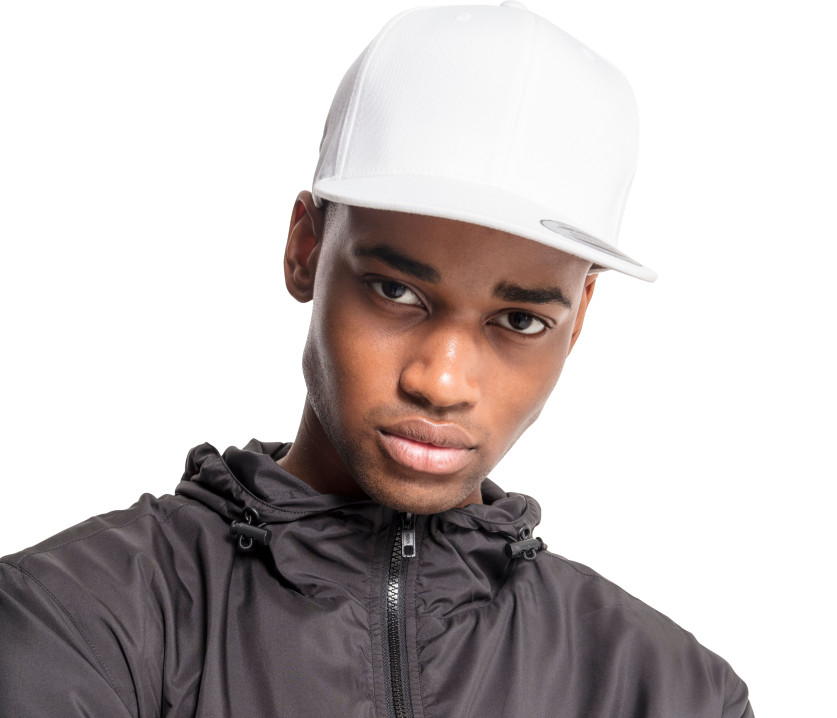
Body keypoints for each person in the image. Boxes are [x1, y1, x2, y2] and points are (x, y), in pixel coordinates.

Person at [0, 3, 753, 716]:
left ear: (579, 315)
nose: (442, 381)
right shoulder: (75, 619)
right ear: (305, 247)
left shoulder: (670, 692)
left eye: (519, 320)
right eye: (397, 290)